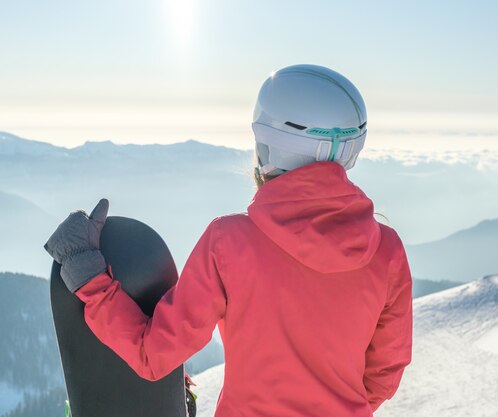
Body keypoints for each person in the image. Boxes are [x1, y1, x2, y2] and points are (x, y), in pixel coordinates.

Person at [44, 64, 413, 417]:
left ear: (269, 146)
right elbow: (383, 373)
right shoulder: (388, 251)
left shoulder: (230, 243)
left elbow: (152, 355)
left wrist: (87, 273)